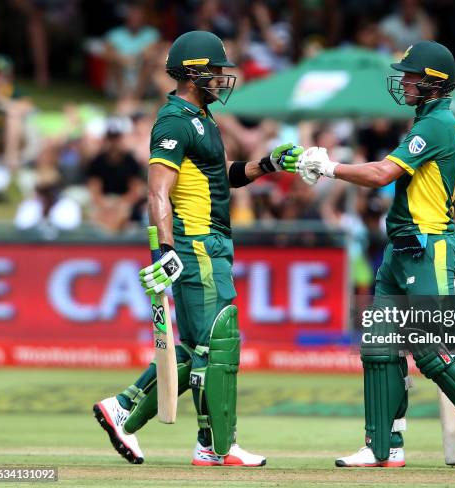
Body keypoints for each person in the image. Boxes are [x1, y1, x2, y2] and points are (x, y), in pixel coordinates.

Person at [295, 41, 455, 469]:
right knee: (380, 347)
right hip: (400, 250)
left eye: (410, 75)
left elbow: (383, 173)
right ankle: (383, 449)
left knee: (432, 349)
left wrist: (331, 167)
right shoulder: (424, 121)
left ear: (434, 82)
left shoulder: (438, 124)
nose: (402, 81)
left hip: (429, 246)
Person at [93, 30, 302, 467]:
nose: (221, 79)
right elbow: (157, 192)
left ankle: (125, 408)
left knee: (194, 349)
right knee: (218, 344)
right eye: (214, 72)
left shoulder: (201, 119)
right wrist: (165, 249)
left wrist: (265, 165)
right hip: (195, 243)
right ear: (192, 74)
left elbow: (217, 175)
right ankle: (216, 446)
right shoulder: (173, 120)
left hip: (210, 240)